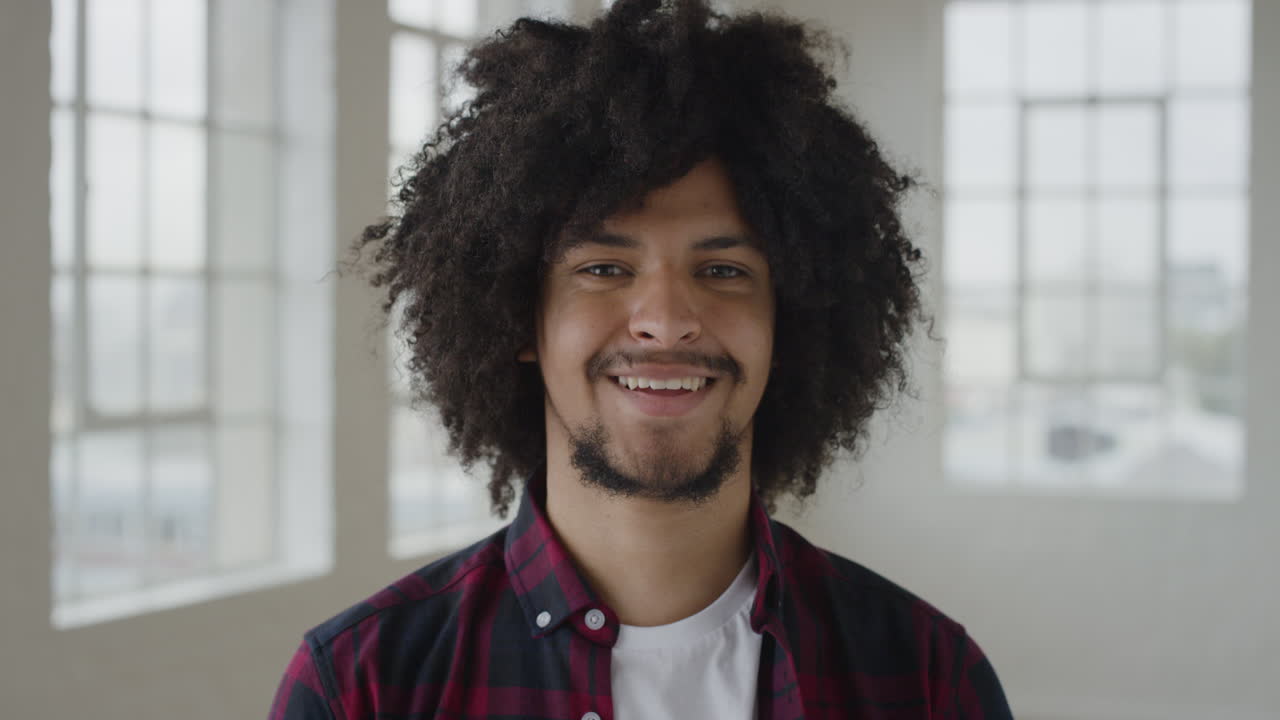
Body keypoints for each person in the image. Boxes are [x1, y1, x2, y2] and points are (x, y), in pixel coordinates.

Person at [269, 0, 1013, 717]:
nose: (665, 322)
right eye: (603, 269)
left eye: (723, 271)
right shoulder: (364, 687)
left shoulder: (926, 678)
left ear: (794, 326)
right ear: (517, 320)